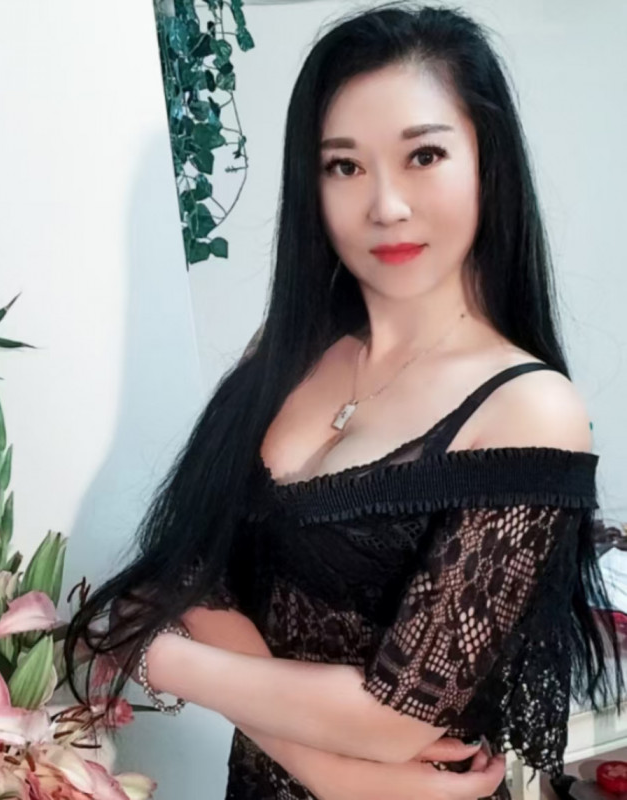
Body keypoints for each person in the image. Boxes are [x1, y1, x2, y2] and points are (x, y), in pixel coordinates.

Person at [64, 3, 624, 799]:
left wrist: (150, 654)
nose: (385, 205)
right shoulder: (285, 354)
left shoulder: (531, 410)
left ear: (488, 163)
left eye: (424, 155)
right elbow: (194, 572)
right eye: (344, 166)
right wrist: (330, 771)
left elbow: (396, 716)